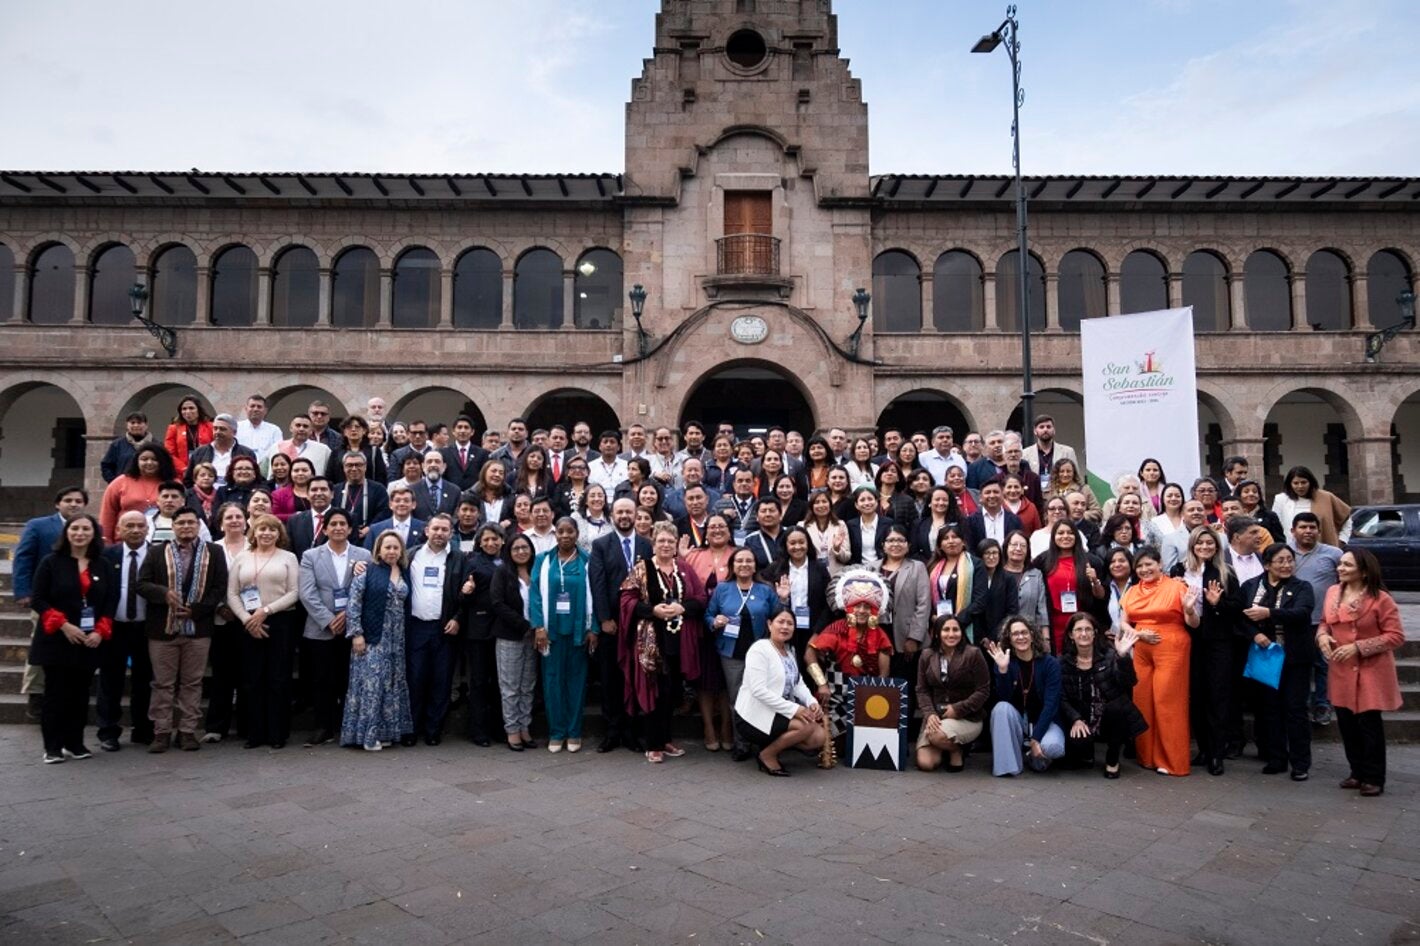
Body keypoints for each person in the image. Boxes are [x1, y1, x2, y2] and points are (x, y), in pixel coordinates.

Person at [136, 507, 228, 752]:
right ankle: (162, 732)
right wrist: (163, 594)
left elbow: (220, 587)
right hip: (162, 629)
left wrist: (197, 610)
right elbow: (142, 584)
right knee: (163, 683)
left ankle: (187, 731)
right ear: (172, 526)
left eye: (191, 522)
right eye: (181, 523)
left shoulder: (214, 552)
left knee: (192, 682)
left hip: (198, 628)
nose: (186, 527)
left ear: (198, 526)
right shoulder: (156, 552)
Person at [1317, 548, 1404, 797]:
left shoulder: (1381, 599)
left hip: (1371, 668)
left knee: (1369, 724)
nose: (1340, 568)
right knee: (1346, 722)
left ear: (1364, 572)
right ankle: (1356, 771)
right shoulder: (1333, 592)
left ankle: (1374, 777)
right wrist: (1322, 637)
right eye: (1340, 564)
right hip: (1342, 668)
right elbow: (1324, 621)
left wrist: (1358, 647)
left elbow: (1396, 636)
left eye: (1347, 565)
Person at [30, 514, 115, 763]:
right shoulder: (51, 562)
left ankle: (74, 743)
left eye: (86, 529)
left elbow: (110, 601)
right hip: (57, 639)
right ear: (67, 532)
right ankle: (53, 747)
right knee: (56, 693)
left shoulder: (103, 564)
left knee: (80, 694)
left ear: (94, 533)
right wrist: (65, 626)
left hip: (89, 640)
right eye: (75, 528)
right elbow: (38, 599)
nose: (80, 533)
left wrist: (101, 630)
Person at [620, 521, 707, 763]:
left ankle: (666, 738)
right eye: (661, 541)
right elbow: (627, 600)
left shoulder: (684, 568)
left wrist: (682, 607)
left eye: (670, 541)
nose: (666, 545)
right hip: (650, 640)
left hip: (679, 640)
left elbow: (700, 598)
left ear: (676, 543)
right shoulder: (642, 568)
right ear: (653, 543)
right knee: (652, 691)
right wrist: (652, 611)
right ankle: (653, 742)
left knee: (671, 692)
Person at [1120, 547, 1201, 776]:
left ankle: (1171, 760)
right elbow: (1124, 623)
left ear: (1160, 564)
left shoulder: (1177, 587)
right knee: (1143, 701)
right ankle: (1146, 757)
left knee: (1168, 702)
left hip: (1171, 647)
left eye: (1149, 564)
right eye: (1140, 566)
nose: (1145, 569)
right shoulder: (1133, 590)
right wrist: (1138, 634)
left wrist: (1189, 609)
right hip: (1142, 649)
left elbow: (1193, 624)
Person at [1239, 542, 1316, 780]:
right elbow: (1239, 618)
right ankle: (1276, 757)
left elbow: (1302, 614)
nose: (1286, 565)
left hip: (1294, 658)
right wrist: (1255, 633)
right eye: (1280, 560)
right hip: (1265, 657)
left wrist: (1269, 613)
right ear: (1267, 564)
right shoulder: (1251, 586)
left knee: (1295, 709)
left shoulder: (1302, 587)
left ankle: (1301, 762)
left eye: (1289, 560)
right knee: (1269, 709)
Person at [13, 486, 90, 720]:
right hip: (45, 599)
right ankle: (36, 694)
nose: (74, 504)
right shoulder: (39, 525)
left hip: (78, 601)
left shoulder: (89, 527)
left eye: (79, 501)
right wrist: (23, 591)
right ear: (58, 503)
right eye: (68, 500)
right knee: (42, 644)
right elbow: (23, 557)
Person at [297, 508, 371, 747]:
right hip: (321, 629)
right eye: (333, 524)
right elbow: (307, 593)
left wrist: (348, 615)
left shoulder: (364, 555)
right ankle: (323, 727)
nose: (338, 528)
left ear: (350, 529)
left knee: (349, 679)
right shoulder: (310, 556)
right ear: (325, 528)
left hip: (354, 627)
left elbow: (369, 591)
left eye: (343, 524)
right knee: (322, 680)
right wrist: (329, 619)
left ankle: (347, 725)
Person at [226, 513, 301, 749]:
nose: (266, 533)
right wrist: (247, 619)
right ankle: (254, 733)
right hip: (248, 624)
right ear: (254, 533)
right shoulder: (242, 557)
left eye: (272, 530)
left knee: (278, 679)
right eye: (262, 529)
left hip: (280, 621)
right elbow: (232, 593)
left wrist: (265, 611)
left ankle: (277, 733)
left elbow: (294, 592)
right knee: (252, 679)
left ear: (279, 534)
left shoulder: (288, 557)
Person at [1169, 525, 1239, 775]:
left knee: (1217, 697)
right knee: (1195, 696)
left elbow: (1236, 608)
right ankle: (1203, 749)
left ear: (1217, 546)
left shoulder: (1225, 572)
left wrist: (1217, 604)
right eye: (1200, 543)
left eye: (1210, 543)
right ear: (1192, 546)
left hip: (1218, 641)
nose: (1205, 547)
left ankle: (1217, 753)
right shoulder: (1178, 570)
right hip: (1189, 639)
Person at [588, 497, 652, 753]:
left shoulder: (647, 546)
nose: (624, 515)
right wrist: (604, 619)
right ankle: (612, 731)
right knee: (610, 678)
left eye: (629, 511)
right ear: (612, 515)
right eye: (620, 512)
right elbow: (598, 583)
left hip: (639, 623)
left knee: (636, 678)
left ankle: (631, 731)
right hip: (612, 624)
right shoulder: (601, 545)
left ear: (636, 515)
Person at [341, 530, 414, 751]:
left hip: (396, 638)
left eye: (395, 547)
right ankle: (368, 736)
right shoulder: (367, 571)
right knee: (372, 685)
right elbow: (353, 604)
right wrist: (356, 634)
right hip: (373, 637)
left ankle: (386, 732)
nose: (391, 551)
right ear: (379, 550)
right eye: (387, 547)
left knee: (390, 684)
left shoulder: (403, 572)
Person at [529, 518, 597, 752]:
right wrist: (538, 626)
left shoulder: (587, 561)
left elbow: (596, 596)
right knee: (552, 682)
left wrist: (594, 628)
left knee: (576, 682)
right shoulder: (543, 560)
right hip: (551, 632)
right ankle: (557, 732)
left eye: (570, 531)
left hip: (579, 630)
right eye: (561, 531)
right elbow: (535, 594)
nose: (565, 535)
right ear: (554, 534)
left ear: (577, 534)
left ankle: (574, 731)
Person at [707, 546, 780, 761]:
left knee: (763, 696)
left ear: (755, 565)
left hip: (761, 653)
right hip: (732, 653)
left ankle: (763, 742)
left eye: (749, 561)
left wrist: (783, 599)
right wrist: (714, 622)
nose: (744, 565)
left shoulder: (765, 590)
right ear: (732, 566)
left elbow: (778, 617)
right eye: (739, 561)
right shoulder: (723, 589)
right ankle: (741, 743)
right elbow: (709, 615)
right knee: (737, 698)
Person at [804, 569, 894, 742]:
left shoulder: (880, 634)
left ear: (873, 611)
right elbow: (809, 654)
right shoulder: (836, 629)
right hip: (835, 698)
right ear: (849, 609)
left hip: (865, 697)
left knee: (859, 745)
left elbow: (884, 673)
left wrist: (877, 694)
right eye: (857, 606)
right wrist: (821, 684)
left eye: (866, 606)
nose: (861, 611)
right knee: (828, 742)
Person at [735, 610, 828, 776]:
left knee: (819, 736)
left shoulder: (789, 652)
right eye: (781, 622)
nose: (785, 627)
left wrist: (811, 702)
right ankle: (767, 755)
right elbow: (758, 690)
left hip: (779, 711)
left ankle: (771, 745)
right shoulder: (759, 649)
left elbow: (797, 683)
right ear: (770, 624)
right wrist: (795, 710)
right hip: (754, 714)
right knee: (806, 726)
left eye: (790, 623)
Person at [403, 514, 468, 746]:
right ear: (426, 530)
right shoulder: (410, 555)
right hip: (416, 627)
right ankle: (411, 729)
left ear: (451, 533)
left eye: (445, 530)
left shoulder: (458, 558)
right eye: (436, 528)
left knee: (441, 681)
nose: (440, 533)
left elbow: (466, 594)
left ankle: (434, 730)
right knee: (415, 679)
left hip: (445, 628)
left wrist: (458, 618)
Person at [1057, 612, 1147, 777]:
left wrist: (1123, 657)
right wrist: (1075, 719)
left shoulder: (1110, 655)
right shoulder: (1063, 662)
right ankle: (1086, 753)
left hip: (1108, 718)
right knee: (1075, 753)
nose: (1083, 634)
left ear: (1095, 633)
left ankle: (1112, 759)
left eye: (1088, 629)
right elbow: (1061, 698)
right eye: (1078, 630)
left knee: (1117, 706)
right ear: (1071, 634)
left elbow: (1129, 682)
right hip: (1082, 719)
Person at [96, 510, 155, 751]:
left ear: (147, 528)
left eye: (140, 525)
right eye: (129, 525)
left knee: (144, 681)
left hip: (147, 628)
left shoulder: (157, 554)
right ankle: (108, 732)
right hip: (114, 627)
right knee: (110, 680)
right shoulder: (108, 555)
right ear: (119, 529)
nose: (135, 530)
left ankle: (142, 729)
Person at [985, 616, 1065, 776]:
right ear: (1009, 638)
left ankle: (1032, 752)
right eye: (1015, 634)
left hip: (1044, 721)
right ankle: (1008, 767)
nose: (1020, 637)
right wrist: (1002, 671)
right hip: (1019, 721)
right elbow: (1004, 698)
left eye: (1024, 632)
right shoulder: (1005, 661)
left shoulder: (1050, 664)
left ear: (1032, 635)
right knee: (1000, 709)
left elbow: (1051, 704)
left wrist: (1036, 738)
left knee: (1053, 748)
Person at [914, 614, 991, 773]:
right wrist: (929, 714)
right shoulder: (926, 655)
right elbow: (922, 689)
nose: (951, 634)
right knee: (926, 763)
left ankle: (956, 751)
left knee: (936, 736)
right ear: (937, 633)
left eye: (955, 629)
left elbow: (983, 690)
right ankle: (950, 747)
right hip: (936, 716)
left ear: (961, 632)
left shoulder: (973, 654)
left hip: (967, 717)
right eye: (946, 630)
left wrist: (958, 708)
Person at [1288, 511, 1342, 726]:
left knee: (1323, 664)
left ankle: (1322, 704)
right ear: (1293, 531)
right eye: (1303, 527)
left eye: (1312, 527)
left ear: (1319, 530)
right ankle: (1300, 704)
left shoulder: (1334, 554)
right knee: (1298, 666)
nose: (1308, 531)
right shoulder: (1284, 553)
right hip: (1293, 621)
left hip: (1323, 621)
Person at [203, 503, 249, 742]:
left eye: (238, 516)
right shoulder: (212, 549)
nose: (234, 521)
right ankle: (215, 727)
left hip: (250, 619)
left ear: (246, 520)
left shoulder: (256, 546)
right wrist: (220, 606)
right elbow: (206, 583)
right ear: (220, 523)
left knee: (247, 674)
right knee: (222, 675)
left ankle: (245, 726)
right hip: (221, 619)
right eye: (228, 517)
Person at [458, 524, 506, 747]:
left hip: (502, 629)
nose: (491, 543)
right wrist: (465, 591)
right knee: (478, 681)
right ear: (479, 541)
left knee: (499, 682)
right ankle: (478, 730)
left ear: (502, 540)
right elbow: (463, 597)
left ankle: (498, 728)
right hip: (478, 630)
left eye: (495, 539)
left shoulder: (507, 561)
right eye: (486, 539)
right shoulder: (472, 562)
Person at [1036, 520, 1105, 654]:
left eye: (1070, 533)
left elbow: (1101, 596)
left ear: (1077, 536)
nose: (1065, 536)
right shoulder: (1042, 561)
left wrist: (1095, 580)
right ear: (1053, 537)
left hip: (1081, 622)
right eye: (1060, 533)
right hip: (1053, 622)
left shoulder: (1091, 561)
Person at [100, 443, 175, 541]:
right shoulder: (120, 482)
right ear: (136, 461)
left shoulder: (173, 484)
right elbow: (107, 515)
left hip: (162, 544)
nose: (149, 462)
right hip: (124, 544)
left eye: (154, 459)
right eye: (144, 459)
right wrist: (106, 544)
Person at [1271, 465, 1351, 547]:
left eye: (1303, 482)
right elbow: (1275, 526)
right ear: (1290, 484)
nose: (1300, 486)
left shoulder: (1326, 497)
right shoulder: (1281, 499)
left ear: (1310, 482)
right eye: (1296, 483)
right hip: (1290, 550)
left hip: (1322, 549)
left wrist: (1342, 540)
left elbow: (1347, 520)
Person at [184, 414, 257, 489]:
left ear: (234, 432)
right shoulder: (200, 453)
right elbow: (188, 480)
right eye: (215, 428)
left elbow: (255, 480)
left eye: (222, 429)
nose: (217, 432)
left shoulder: (246, 453)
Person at [1002, 530, 1049, 631]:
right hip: (1001, 632)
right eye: (1014, 545)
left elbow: (1042, 608)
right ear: (1006, 547)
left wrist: (1046, 637)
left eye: (1023, 546)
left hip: (1029, 633)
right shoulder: (998, 573)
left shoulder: (1036, 574)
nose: (1018, 548)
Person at [1021, 415, 1079, 493]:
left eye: (1048, 427)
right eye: (1041, 427)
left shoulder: (1068, 452)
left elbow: (1077, 478)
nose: (1045, 430)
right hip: (1035, 496)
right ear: (1035, 431)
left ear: (1054, 430)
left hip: (1060, 496)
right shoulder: (1025, 453)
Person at [163, 395, 213, 481]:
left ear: (199, 410)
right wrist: (184, 469)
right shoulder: (173, 428)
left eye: (191, 408)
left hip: (206, 471)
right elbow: (169, 453)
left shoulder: (210, 426)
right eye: (184, 409)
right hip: (182, 473)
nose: (187, 411)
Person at [804, 489, 852, 577]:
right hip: (812, 574)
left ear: (830, 504)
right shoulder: (803, 526)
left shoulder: (840, 525)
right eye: (817, 502)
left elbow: (847, 557)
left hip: (836, 574)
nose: (821, 505)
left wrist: (837, 549)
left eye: (824, 501)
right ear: (811, 506)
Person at [101, 412, 152, 483]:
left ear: (146, 425)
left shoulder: (156, 445)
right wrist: (115, 483)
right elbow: (106, 466)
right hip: (124, 488)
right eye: (132, 423)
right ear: (127, 425)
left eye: (139, 422)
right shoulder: (117, 445)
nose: (136, 425)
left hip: (149, 486)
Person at [271, 456, 316, 523]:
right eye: (296, 471)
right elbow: (272, 516)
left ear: (312, 473)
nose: (300, 473)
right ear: (290, 474)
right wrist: (295, 516)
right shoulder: (278, 494)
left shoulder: (321, 491)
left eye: (304, 470)